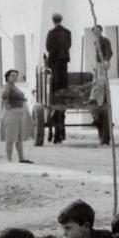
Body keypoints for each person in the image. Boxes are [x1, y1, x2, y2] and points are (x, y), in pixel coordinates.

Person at [45, 13, 71, 144]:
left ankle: (56, 134)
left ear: (53, 21)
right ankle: (63, 90)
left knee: (54, 82)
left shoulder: (51, 33)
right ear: (61, 20)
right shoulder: (67, 32)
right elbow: (69, 45)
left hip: (54, 62)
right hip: (64, 62)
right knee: (63, 80)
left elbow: (48, 47)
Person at [0, 68, 35, 164]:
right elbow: (4, 95)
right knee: (10, 137)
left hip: (17, 114)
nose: (15, 77)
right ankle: (9, 160)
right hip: (11, 114)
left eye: (16, 76)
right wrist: (6, 105)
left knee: (18, 138)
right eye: (12, 76)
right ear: (7, 77)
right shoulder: (7, 86)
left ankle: (21, 158)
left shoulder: (13, 86)